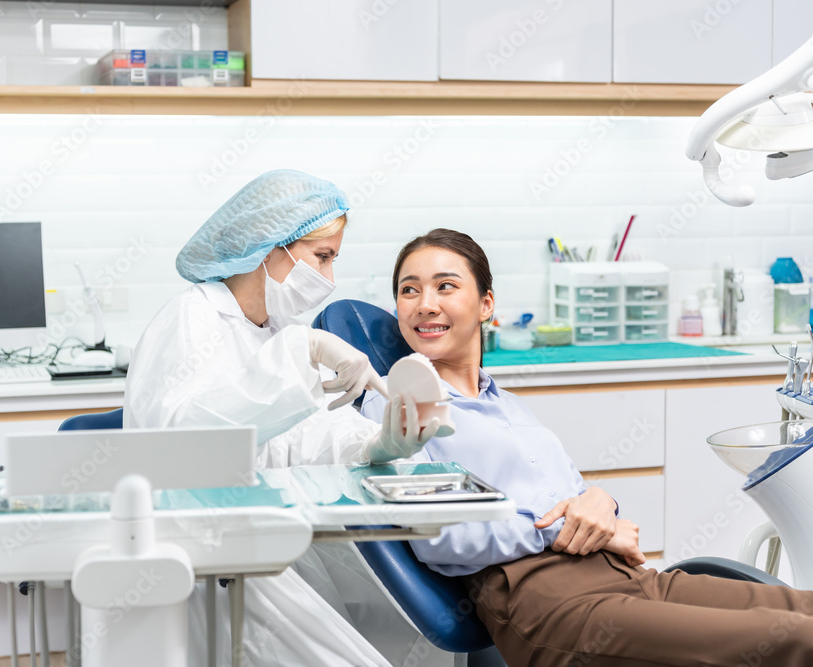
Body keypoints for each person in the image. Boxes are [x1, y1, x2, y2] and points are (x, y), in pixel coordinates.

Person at [362, 228, 813, 667]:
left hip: (629, 578)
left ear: (486, 305)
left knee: (803, 610)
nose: (425, 305)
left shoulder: (510, 407)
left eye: (445, 286)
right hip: (550, 604)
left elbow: (571, 498)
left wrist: (603, 502)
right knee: (795, 640)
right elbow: (442, 535)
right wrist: (557, 529)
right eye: (409, 290)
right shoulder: (395, 409)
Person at [124, 170, 443, 667]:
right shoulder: (192, 319)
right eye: (322, 257)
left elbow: (303, 437)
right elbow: (182, 439)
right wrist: (304, 348)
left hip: (261, 542)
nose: (329, 279)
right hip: (201, 555)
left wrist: (377, 445)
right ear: (271, 249)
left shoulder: (271, 331)